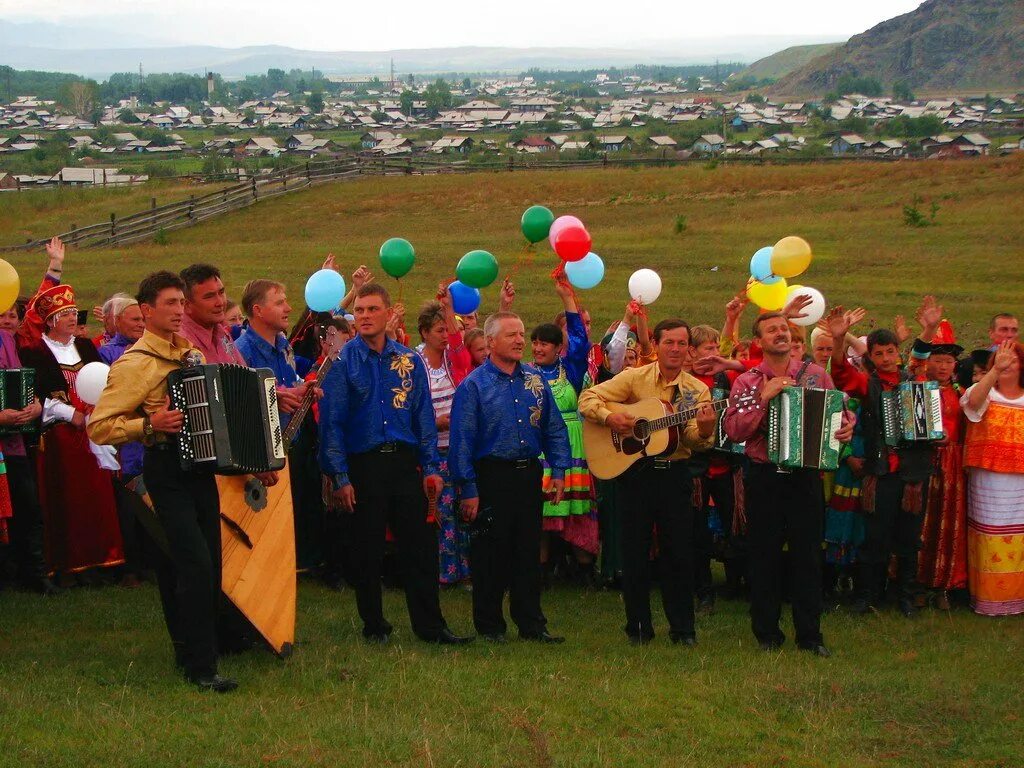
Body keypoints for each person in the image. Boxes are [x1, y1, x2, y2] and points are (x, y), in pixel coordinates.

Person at [89, 271, 243, 692]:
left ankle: (195, 651)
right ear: (146, 310)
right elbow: (100, 427)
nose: (178, 311)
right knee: (193, 563)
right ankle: (201, 667)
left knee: (207, 562)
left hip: (200, 468)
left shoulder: (190, 351)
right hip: (165, 468)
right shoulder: (135, 364)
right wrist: (148, 424)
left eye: (181, 303)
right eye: (170, 304)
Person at [319, 282, 472, 645]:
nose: (366, 316)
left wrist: (431, 468)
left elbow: (423, 417)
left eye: (373, 309)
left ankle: (432, 627)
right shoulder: (342, 362)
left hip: (405, 466)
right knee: (368, 550)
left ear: (388, 313)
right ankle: (375, 626)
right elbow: (332, 422)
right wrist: (339, 475)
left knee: (420, 547)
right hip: (363, 465)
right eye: (359, 310)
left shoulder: (409, 359)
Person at [579, 318, 717, 646]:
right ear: (656, 345)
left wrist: (708, 430)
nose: (676, 349)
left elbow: (696, 441)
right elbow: (587, 398)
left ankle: (683, 629)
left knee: (679, 553)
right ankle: (638, 628)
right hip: (635, 474)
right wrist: (610, 417)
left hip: (674, 476)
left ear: (689, 349)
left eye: (682, 344)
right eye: (669, 342)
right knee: (634, 553)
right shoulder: (634, 378)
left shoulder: (696, 390)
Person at [723, 311, 854, 656]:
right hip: (764, 476)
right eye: (772, 330)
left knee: (808, 555)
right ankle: (767, 633)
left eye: (783, 328)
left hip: (805, 476)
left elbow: (839, 413)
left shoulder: (814, 375)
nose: (780, 334)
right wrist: (764, 397)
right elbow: (735, 431)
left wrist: (845, 427)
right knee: (764, 554)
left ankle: (810, 635)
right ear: (760, 341)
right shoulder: (748, 382)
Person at [449, 310, 570, 643]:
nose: (520, 340)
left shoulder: (535, 380)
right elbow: (462, 440)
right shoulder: (473, 386)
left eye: (521, 333)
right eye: (511, 335)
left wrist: (559, 470)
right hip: (491, 477)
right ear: (490, 342)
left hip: (527, 474)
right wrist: (469, 488)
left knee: (527, 551)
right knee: (490, 553)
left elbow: (554, 428)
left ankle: (532, 623)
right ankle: (490, 626)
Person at [825, 298, 942, 617]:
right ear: (871, 358)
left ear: (898, 353)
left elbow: (920, 359)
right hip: (882, 471)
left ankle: (904, 594)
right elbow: (840, 374)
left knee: (908, 538)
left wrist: (929, 329)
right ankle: (867, 594)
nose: (887, 357)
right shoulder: (868, 384)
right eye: (879, 353)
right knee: (874, 537)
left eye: (891, 351)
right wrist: (838, 339)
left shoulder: (913, 379)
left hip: (914, 473)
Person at [18, 282, 124, 583]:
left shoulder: (86, 347)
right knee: (68, 497)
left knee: (98, 496)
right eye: (65, 314)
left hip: (94, 429)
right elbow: (38, 395)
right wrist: (71, 414)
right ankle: (69, 565)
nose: (72, 319)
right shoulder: (36, 351)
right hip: (61, 437)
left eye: (74, 313)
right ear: (51, 320)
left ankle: (103, 560)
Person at [235, 278, 325, 571]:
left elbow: (290, 380)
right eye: (279, 302)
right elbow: (239, 401)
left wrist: (305, 388)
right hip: (262, 451)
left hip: (292, 440)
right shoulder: (242, 352)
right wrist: (274, 398)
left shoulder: (283, 344)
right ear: (258, 310)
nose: (288, 307)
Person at [533, 273, 598, 586]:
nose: (537, 347)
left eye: (544, 343)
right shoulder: (526, 373)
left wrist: (567, 300)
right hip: (539, 446)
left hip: (572, 444)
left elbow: (581, 342)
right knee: (542, 511)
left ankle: (583, 570)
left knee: (576, 510)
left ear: (559, 348)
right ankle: (542, 572)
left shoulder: (570, 370)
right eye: (534, 342)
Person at [960, 340, 1024, 616]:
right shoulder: (985, 393)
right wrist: (995, 371)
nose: (1007, 363)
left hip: (1020, 482)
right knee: (990, 535)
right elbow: (973, 404)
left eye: (1012, 359)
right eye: (1000, 359)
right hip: (989, 482)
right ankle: (991, 600)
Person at [415, 293, 471, 587]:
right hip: (432, 450)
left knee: (463, 508)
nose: (445, 336)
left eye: (446, 330)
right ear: (424, 332)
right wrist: (433, 423)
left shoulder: (453, 359)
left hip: (459, 447)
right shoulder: (414, 362)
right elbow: (410, 405)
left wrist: (449, 309)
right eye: (439, 331)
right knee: (441, 511)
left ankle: (466, 570)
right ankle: (444, 573)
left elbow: (461, 345)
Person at [915, 321, 967, 610]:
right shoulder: (921, 386)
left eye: (949, 360)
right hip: (927, 460)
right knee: (923, 521)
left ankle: (944, 584)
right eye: (938, 360)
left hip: (953, 465)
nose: (944, 366)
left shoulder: (961, 392)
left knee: (948, 522)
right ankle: (917, 582)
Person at [98, 297, 149, 587]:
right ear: (117, 321)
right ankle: (130, 565)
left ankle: (153, 562)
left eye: (143, 320)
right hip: (125, 440)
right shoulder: (106, 353)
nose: (140, 325)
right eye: (134, 320)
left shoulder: (150, 349)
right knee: (129, 504)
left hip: (151, 436)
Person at [178, 264, 247, 367]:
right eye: (209, 297)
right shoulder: (181, 343)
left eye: (221, 292)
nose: (220, 302)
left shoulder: (222, 333)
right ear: (187, 305)